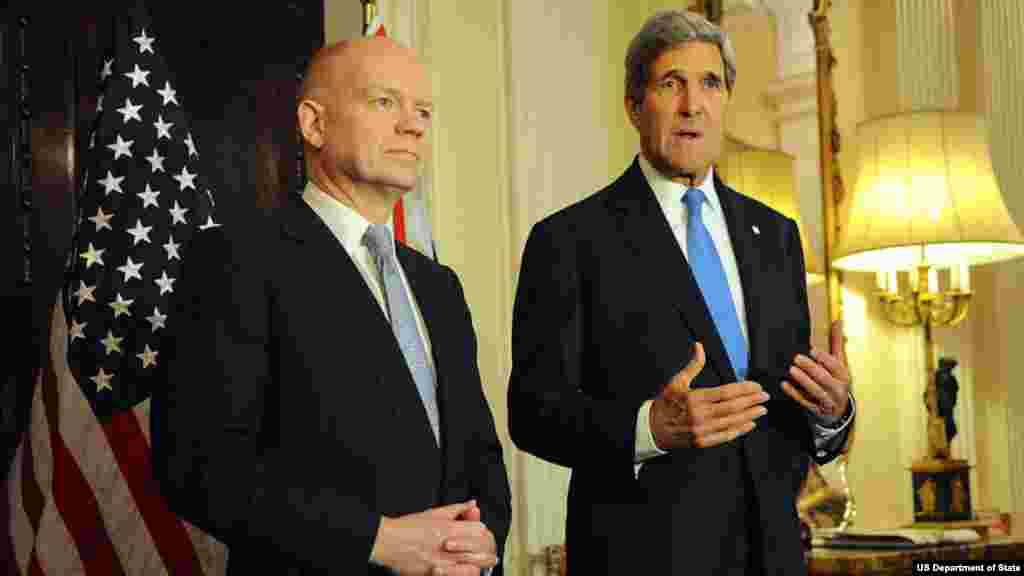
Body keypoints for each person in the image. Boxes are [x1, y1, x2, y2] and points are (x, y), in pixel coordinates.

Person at [507, 10, 854, 575]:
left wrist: (832, 412)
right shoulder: (570, 240)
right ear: (634, 104)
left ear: (726, 100)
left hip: (773, 557)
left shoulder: (776, 237)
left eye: (710, 83)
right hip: (643, 558)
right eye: (671, 83)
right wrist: (649, 427)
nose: (693, 104)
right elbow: (533, 412)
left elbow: (786, 416)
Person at [153, 37, 511, 575]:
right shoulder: (237, 259)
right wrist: (377, 540)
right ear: (314, 125)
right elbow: (201, 469)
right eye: (385, 102)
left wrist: (485, 545)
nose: (413, 125)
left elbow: (479, 456)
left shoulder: (438, 286)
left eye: (424, 111)